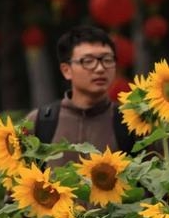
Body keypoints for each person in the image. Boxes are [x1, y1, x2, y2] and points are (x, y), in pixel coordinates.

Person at [26, 25, 135, 167]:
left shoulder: (129, 122)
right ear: (66, 70)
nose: (100, 68)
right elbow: (17, 184)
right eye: (88, 61)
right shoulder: (40, 122)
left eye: (107, 60)